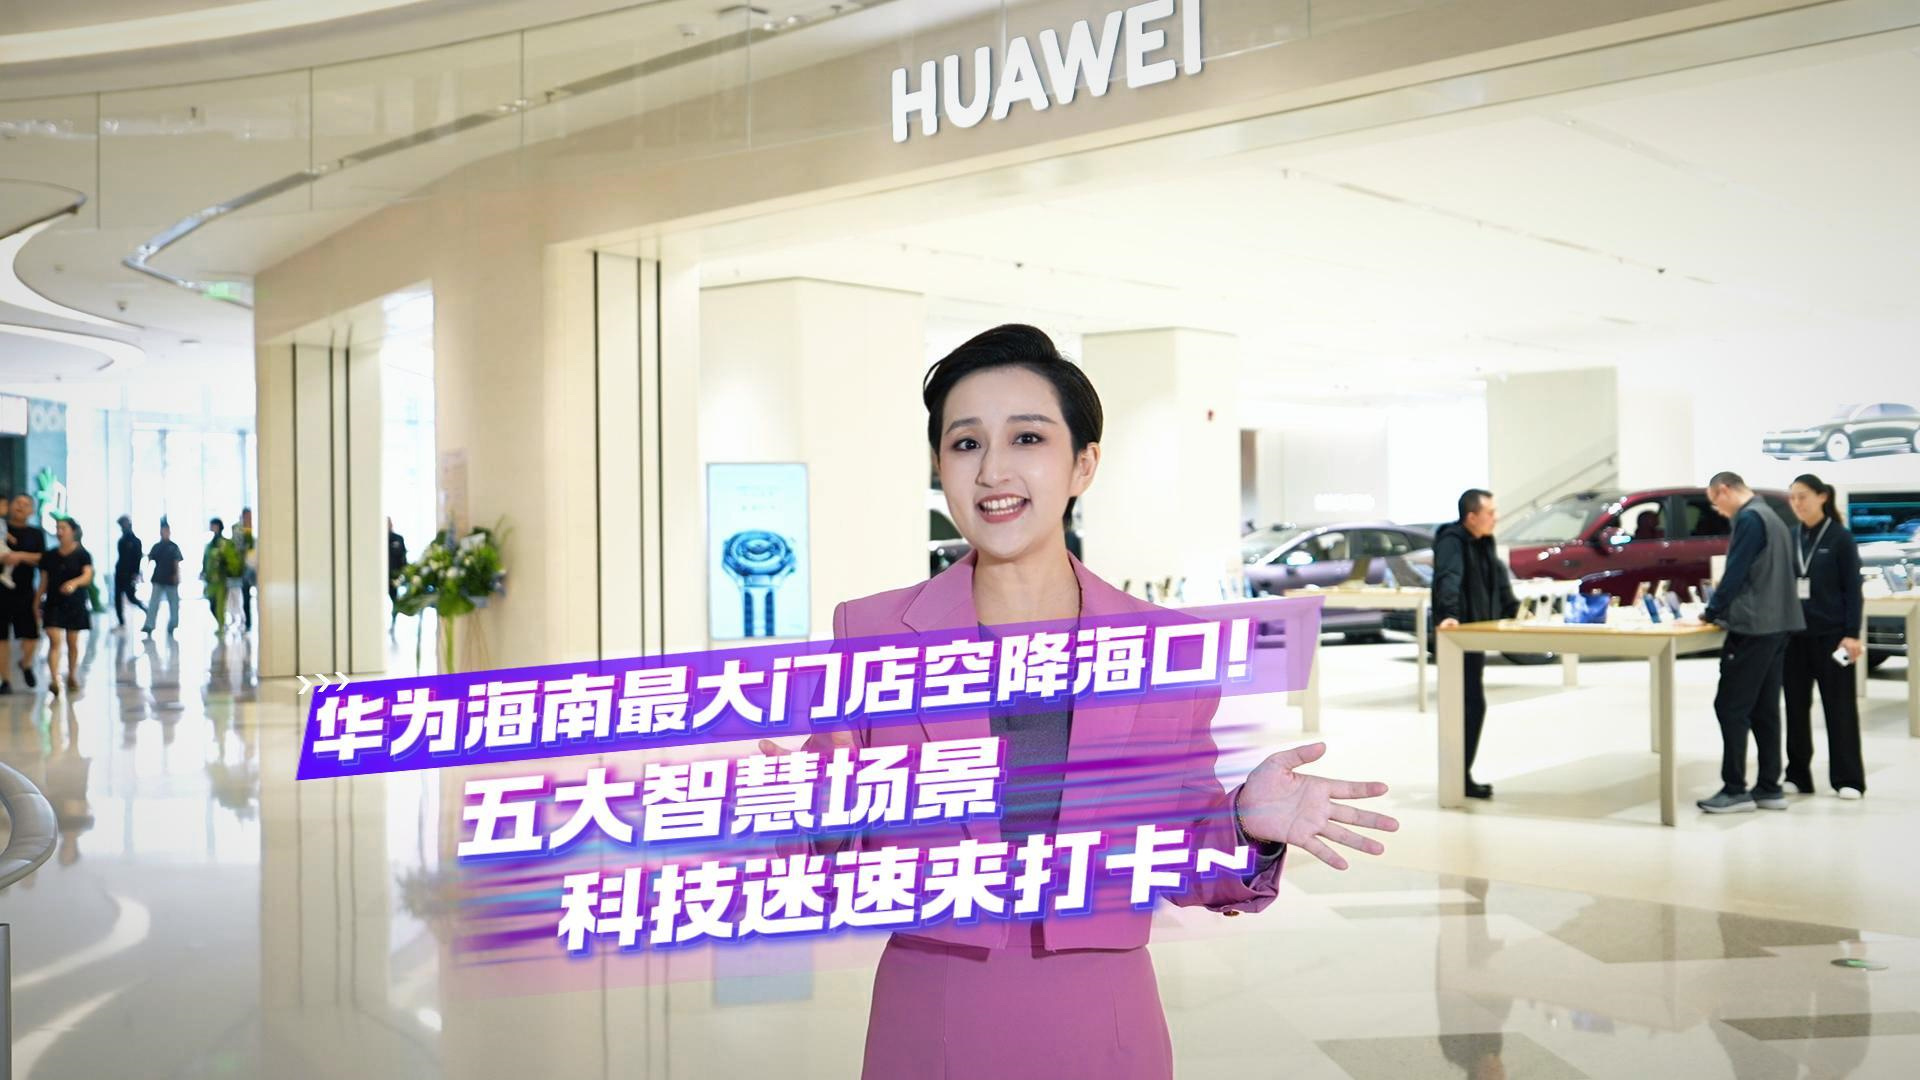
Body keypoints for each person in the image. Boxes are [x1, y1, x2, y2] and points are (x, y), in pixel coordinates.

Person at [759, 324, 1399, 1080]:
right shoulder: (872, 633)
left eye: (1027, 437)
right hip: (933, 1015)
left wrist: (1242, 825)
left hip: (1103, 1020)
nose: (993, 469)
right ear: (939, 465)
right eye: (966, 443)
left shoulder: (1165, 648)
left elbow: (1186, 855)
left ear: (1083, 464)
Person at [1690, 471, 1804, 813]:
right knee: (1764, 709)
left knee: (1730, 706)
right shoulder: (1774, 518)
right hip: (1778, 624)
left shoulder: (1750, 518)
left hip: (1753, 627)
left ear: (1724, 490)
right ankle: (1769, 787)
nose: (1718, 511)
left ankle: (1735, 788)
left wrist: (1711, 612)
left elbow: (1736, 572)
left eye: (1715, 503)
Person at [1782, 474, 1866, 800]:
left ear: (1822, 497)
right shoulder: (1791, 536)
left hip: (1832, 637)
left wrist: (1852, 634)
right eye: (1792, 498)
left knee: (1839, 707)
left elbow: (1852, 590)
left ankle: (1848, 779)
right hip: (1795, 637)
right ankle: (1797, 774)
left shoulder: (1840, 538)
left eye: (1802, 496)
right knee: (1795, 707)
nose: (1797, 503)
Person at [1432, 488, 1519, 800]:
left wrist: (1515, 611)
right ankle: (1458, 778)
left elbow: (1496, 582)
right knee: (1467, 706)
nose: (1496, 518)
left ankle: (1462, 776)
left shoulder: (1484, 542)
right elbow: (1449, 578)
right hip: (1457, 636)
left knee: (1472, 705)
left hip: (1476, 635)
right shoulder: (1451, 541)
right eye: (1490, 513)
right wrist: (1449, 615)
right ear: (1471, 517)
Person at [37, 517, 93, 693]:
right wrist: (36, 601)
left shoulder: (83, 554)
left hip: (75, 603)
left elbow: (87, 576)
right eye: (57, 528)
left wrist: (74, 583)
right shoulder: (49, 556)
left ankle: (72, 675)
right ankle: (54, 679)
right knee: (54, 641)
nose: (59, 531)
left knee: (72, 642)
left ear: (73, 531)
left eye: (63, 528)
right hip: (53, 602)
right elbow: (43, 581)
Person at [0, 494, 47, 692]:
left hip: (26, 591)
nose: (20, 506)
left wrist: (19, 556)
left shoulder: (35, 534)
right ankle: (6, 680)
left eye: (25, 504)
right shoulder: (2, 527)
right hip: (1, 590)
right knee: (1, 636)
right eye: (17, 502)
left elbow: (42, 558)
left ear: (32, 511)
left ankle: (26, 664)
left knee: (31, 635)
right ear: (9, 506)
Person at [142, 519, 184, 636]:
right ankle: (149, 625)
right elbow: (149, 559)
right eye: (164, 531)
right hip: (158, 578)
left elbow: (176, 562)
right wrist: (143, 574)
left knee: (174, 604)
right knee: (154, 603)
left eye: (167, 530)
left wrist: (177, 576)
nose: (165, 533)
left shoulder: (174, 547)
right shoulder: (157, 546)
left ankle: (173, 625)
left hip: (171, 579)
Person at [203, 517, 239, 633]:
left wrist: (230, 571)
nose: (212, 528)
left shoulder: (225, 544)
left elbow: (232, 560)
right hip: (211, 580)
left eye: (213, 525)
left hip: (221, 579)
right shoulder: (210, 545)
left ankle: (221, 627)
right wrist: (204, 572)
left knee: (220, 605)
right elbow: (206, 560)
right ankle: (221, 624)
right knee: (212, 603)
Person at [113, 515, 147, 628]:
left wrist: (135, 574)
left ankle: (146, 610)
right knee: (117, 598)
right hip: (120, 572)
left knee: (131, 597)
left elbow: (137, 559)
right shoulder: (122, 540)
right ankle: (121, 621)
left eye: (124, 524)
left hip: (128, 574)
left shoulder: (135, 541)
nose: (122, 527)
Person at [232, 508, 256, 632]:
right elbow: (238, 548)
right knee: (245, 597)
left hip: (256, 567)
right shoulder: (239, 531)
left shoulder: (255, 529)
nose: (249, 519)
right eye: (247, 516)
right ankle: (247, 622)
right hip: (245, 568)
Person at [388, 517, 408, 632]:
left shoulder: (398, 539)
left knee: (395, 601)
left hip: (393, 577)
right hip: (381, 579)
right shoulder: (379, 539)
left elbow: (403, 558)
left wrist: (403, 574)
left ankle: (393, 625)